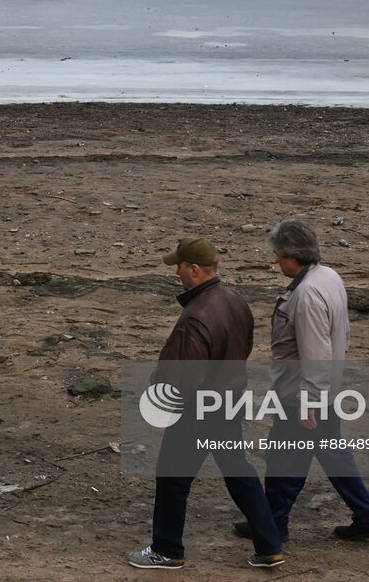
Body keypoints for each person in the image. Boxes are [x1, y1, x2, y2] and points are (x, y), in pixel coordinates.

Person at [127, 237, 287, 570]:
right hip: (229, 401)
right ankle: (269, 545)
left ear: (195, 270)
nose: (178, 273)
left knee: (172, 479)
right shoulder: (235, 300)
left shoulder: (194, 318)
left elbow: (184, 379)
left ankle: (167, 549)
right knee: (238, 471)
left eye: (181, 267)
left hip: (196, 411)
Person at [234, 218, 369, 545]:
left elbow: (315, 353)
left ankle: (274, 523)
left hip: (302, 395)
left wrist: (308, 401)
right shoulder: (328, 276)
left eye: (277, 254)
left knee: (284, 457)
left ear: (292, 255)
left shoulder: (305, 295)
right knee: (331, 455)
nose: (275, 260)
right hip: (322, 390)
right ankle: (368, 517)